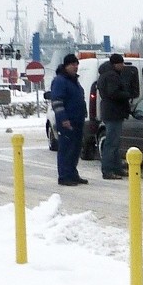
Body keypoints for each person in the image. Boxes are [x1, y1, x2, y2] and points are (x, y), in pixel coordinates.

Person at [50, 54, 88, 186]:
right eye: (73, 64)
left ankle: (72, 173)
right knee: (66, 149)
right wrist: (63, 119)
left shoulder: (73, 81)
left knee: (75, 149)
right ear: (66, 66)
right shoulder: (60, 81)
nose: (76, 67)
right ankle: (64, 176)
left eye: (77, 64)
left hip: (77, 120)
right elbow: (57, 102)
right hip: (67, 122)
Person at [97, 53, 131, 180]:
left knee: (115, 143)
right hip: (113, 112)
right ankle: (108, 170)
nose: (122, 66)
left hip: (110, 112)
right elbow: (113, 93)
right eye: (121, 63)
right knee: (111, 143)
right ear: (115, 64)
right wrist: (126, 94)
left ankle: (116, 167)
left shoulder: (105, 74)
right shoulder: (112, 76)